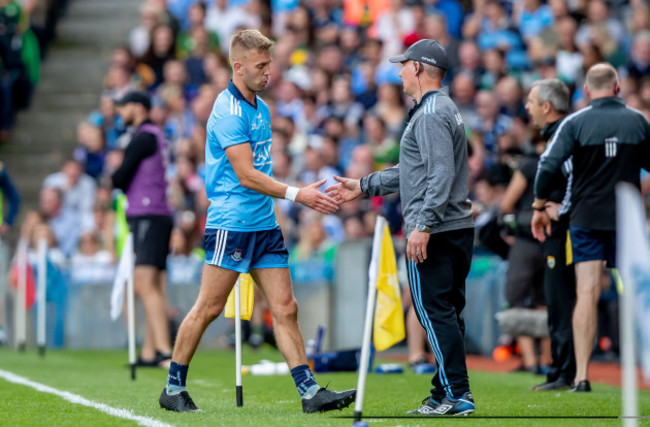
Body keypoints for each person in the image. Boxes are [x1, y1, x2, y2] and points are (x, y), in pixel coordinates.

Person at [158, 29, 356, 414]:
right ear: (238, 67)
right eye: (261, 66)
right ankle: (173, 385)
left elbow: (261, 173)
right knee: (209, 307)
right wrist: (299, 195)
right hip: (231, 223)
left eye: (270, 64)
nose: (269, 72)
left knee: (285, 307)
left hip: (264, 224)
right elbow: (247, 175)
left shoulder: (261, 108)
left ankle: (309, 391)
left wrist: (288, 199)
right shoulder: (226, 112)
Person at [327, 39, 475, 416]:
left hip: (437, 229)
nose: (398, 72)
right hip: (455, 226)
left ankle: (456, 394)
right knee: (447, 311)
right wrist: (362, 186)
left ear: (420, 69)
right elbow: (416, 171)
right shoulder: (442, 108)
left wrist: (423, 224)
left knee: (432, 310)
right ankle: (444, 392)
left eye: (404, 65)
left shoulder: (428, 114)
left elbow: (439, 174)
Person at [532, 63, 650, 392]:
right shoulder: (638, 120)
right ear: (616, 88)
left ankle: (582, 376)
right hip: (626, 219)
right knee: (639, 291)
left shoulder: (576, 122)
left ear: (586, 90)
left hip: (585, 218)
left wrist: (540, 204)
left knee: (586, 293)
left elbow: (548, 165)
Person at [112, 91, 174, 369]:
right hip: (158, 215)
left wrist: (114, 176)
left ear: (138, 108)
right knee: (155, 285)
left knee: (144, 284)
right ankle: (150, 352)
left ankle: (163, 351)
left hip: (148, 215)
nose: (119, 112)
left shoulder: (143, 137)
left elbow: (120, 177)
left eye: (123, 107)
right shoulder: (156, 135)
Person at [525, 79, 577, 391]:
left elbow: (577, 175)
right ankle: (562, 368)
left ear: (546, 106)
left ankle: (565, 372)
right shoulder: (559, 133)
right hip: (559, 229)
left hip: (566, 231)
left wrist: (560, 209)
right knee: (557, 299)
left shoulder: (564, 134)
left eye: (531, 101)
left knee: (562, 299)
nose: (527, 107)